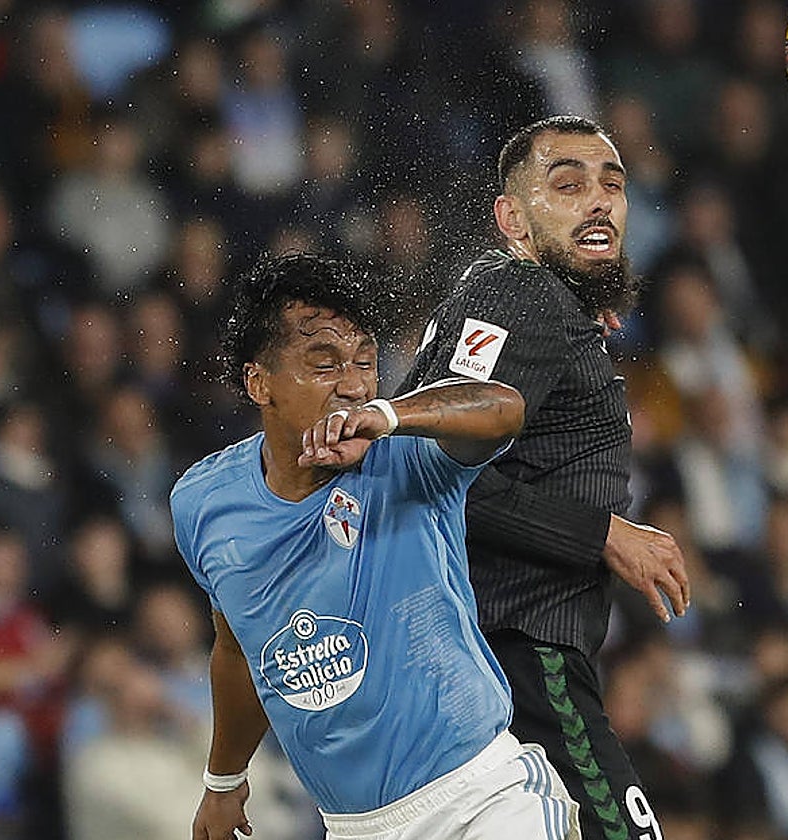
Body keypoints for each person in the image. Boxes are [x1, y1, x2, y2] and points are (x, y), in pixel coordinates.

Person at [169, 253, 581, 840]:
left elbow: (503, 407)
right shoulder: (203, 503)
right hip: (353, 827)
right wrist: (223, 780)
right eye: (324, 364)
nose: (354, 385)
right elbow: (239, 650)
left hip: (482, 800)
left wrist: (391, 416)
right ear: (258, 382)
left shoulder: (407, 454)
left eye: (365, 362)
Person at [400, 115, 690, 840]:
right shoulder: (524, 297)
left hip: (479, 649)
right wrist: (605, 534)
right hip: (521, 647)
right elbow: (433, 471)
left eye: (612, 184)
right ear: (513, 218)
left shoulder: (516, 295)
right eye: (567, 184)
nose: (598, 200)